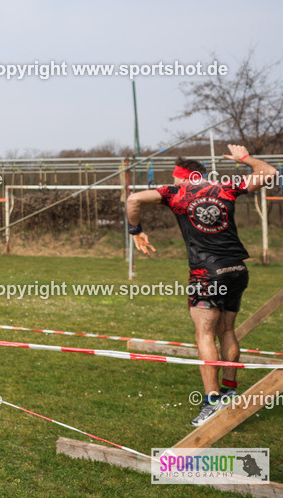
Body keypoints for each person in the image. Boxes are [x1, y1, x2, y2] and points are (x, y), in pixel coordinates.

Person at [127, 145, 277, 426]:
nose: (173, 183)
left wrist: (136, 231)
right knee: (228, 330)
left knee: (204, 334)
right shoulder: (225, 187)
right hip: (237, 269)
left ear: (184, 177)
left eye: (175, 178)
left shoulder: (175, 193)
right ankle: (230, 392)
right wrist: (245, 159)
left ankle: (211, 401)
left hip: (206, 273)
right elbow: (269, 172)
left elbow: (133, 199)